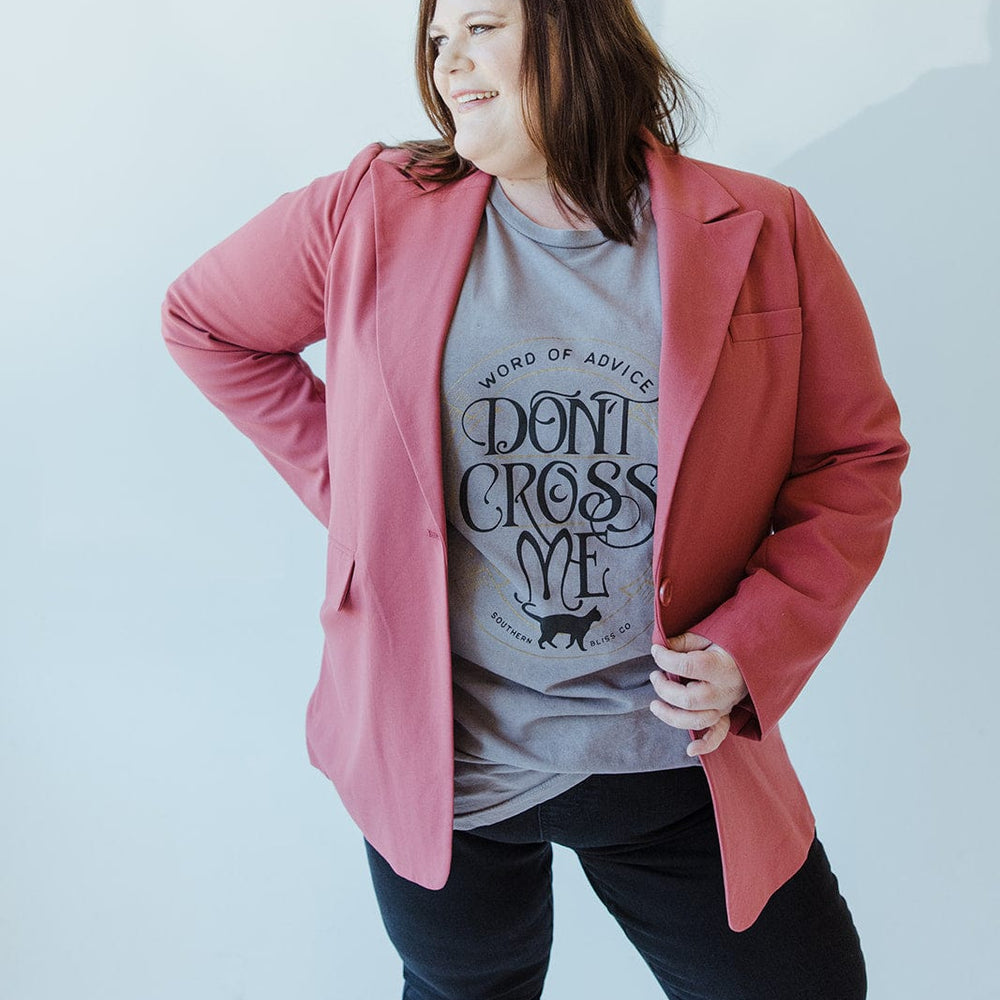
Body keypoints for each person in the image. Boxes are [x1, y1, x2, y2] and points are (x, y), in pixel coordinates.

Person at [162, 0, 908, 996]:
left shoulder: (760, 225)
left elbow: (851, 460)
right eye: (435, 41)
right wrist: (361, 496)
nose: (448, 64)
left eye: (479, 27)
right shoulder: (368, 208)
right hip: (441, 761)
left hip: (672, 753)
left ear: (576, 30)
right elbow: (204, 324)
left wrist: (753, 641)